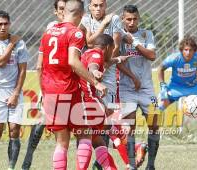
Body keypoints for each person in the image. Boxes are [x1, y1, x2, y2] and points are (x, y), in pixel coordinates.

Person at [39, 0, 107, 169]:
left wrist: (43, 92)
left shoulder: (48, 33)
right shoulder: (75, 33)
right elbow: (73, 62)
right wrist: (95, 83)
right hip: (68, 89)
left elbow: (39, 66)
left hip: (50, 91)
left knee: (61, 142)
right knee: (84, 133)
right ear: (81, 15)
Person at [80, 1, 140, 169]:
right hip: (94, 80)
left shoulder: (113, 19)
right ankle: (121, 159)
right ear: (90, 7)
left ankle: (128, 158)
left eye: (101, 5)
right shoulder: (86, 21)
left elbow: (112, 45)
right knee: (101, 127)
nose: (98, 9)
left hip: (109, 81)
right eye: (95, 5)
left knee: (105, 123)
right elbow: (90, 43)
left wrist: (105, 65)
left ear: (106, 6)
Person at [21, 1, 67, 169]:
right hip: (54, 82)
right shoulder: (53, 27)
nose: (64, 12)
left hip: (70, 82)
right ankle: (29, 156)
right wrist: (43, 87)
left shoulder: (79, 27)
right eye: (61, 9)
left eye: (67, 8)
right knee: (44, 121)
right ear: (55, 11)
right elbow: (41, 62)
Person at [0, 10, 29, 170]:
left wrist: (16, 93)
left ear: (10, 24)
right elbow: (0, 62)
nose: (3, 27)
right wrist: (11, 44)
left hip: (14, 91)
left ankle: (11, 168)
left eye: (5, 24)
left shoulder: (20, 44)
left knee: (15, 130)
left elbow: (22, 70)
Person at [80, 34, 131, 170]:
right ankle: (132, 157)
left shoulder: (88, 52)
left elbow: (105, 62)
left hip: (80, 101)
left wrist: (118, 59)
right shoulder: (97, 54)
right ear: (107, 47)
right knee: (111, 129)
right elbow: (93, 65)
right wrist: (95, 72)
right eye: (113, 48)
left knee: (96, 139)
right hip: (91, 99)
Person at [119, 5, 158, 170]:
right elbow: (116, 61)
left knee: (154, 126)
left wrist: (134, 42)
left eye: (135, 19)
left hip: (147, 88)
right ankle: (132, 164)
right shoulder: (118, 36)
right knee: (129, 127)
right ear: (123, 19)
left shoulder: (146, 34)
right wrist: (133, 77)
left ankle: (150, 165)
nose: (132, 22)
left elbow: (152, 56)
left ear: (139, 19)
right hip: (127, 88)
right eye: (128, 19)